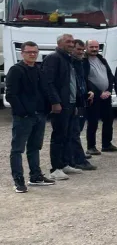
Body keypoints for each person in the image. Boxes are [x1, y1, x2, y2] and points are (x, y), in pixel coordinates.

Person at [7, 41, 55, 192]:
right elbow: (11, 95)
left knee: (35, 147)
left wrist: (48, 108)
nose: (32, 54)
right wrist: (23, 112)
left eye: (35, 52)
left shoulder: (39, 70)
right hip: (24, 117)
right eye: (29, 52)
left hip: (40, 115)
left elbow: (45, 90)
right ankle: (18, 181)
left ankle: (35, 176)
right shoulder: (16, 70)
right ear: (22, 53)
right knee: (17, 149)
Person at [42, 33, 83, 180]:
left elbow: (72, 83)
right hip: (61, 104)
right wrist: (55, 102)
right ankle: (55, 168)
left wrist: (76, 103)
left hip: (71, 104)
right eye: (68, 41)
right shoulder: (54, 58)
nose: (72, 44)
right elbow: (48, 82)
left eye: (72, 41)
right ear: (60, 43)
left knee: (67, 135)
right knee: (58, 136)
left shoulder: (69, 60)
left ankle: (65, 163)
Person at [84, 39, 117, 155]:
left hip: (106, 96)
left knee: (109, 119)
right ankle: (91, 146)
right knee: (93, 121)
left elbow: (109, 75)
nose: (94, 49)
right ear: (86, 47)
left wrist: (109, 90)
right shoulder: (84, 61)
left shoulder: (101, 59)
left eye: (96, 47)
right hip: (93, 97)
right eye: (91, 47)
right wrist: (99, 92)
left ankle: (106, 144)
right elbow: (85, 80)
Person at [70, 40, 97, 170]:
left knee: (78, 129)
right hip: (72, 102)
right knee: (74, 132)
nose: (81, 52)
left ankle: (75, 157)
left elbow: (84, 80)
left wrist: (89, 90)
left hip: (82, 100)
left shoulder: (81, 63)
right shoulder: (69, 63)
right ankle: (78, 160)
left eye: (82, 50)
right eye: (78, 50)